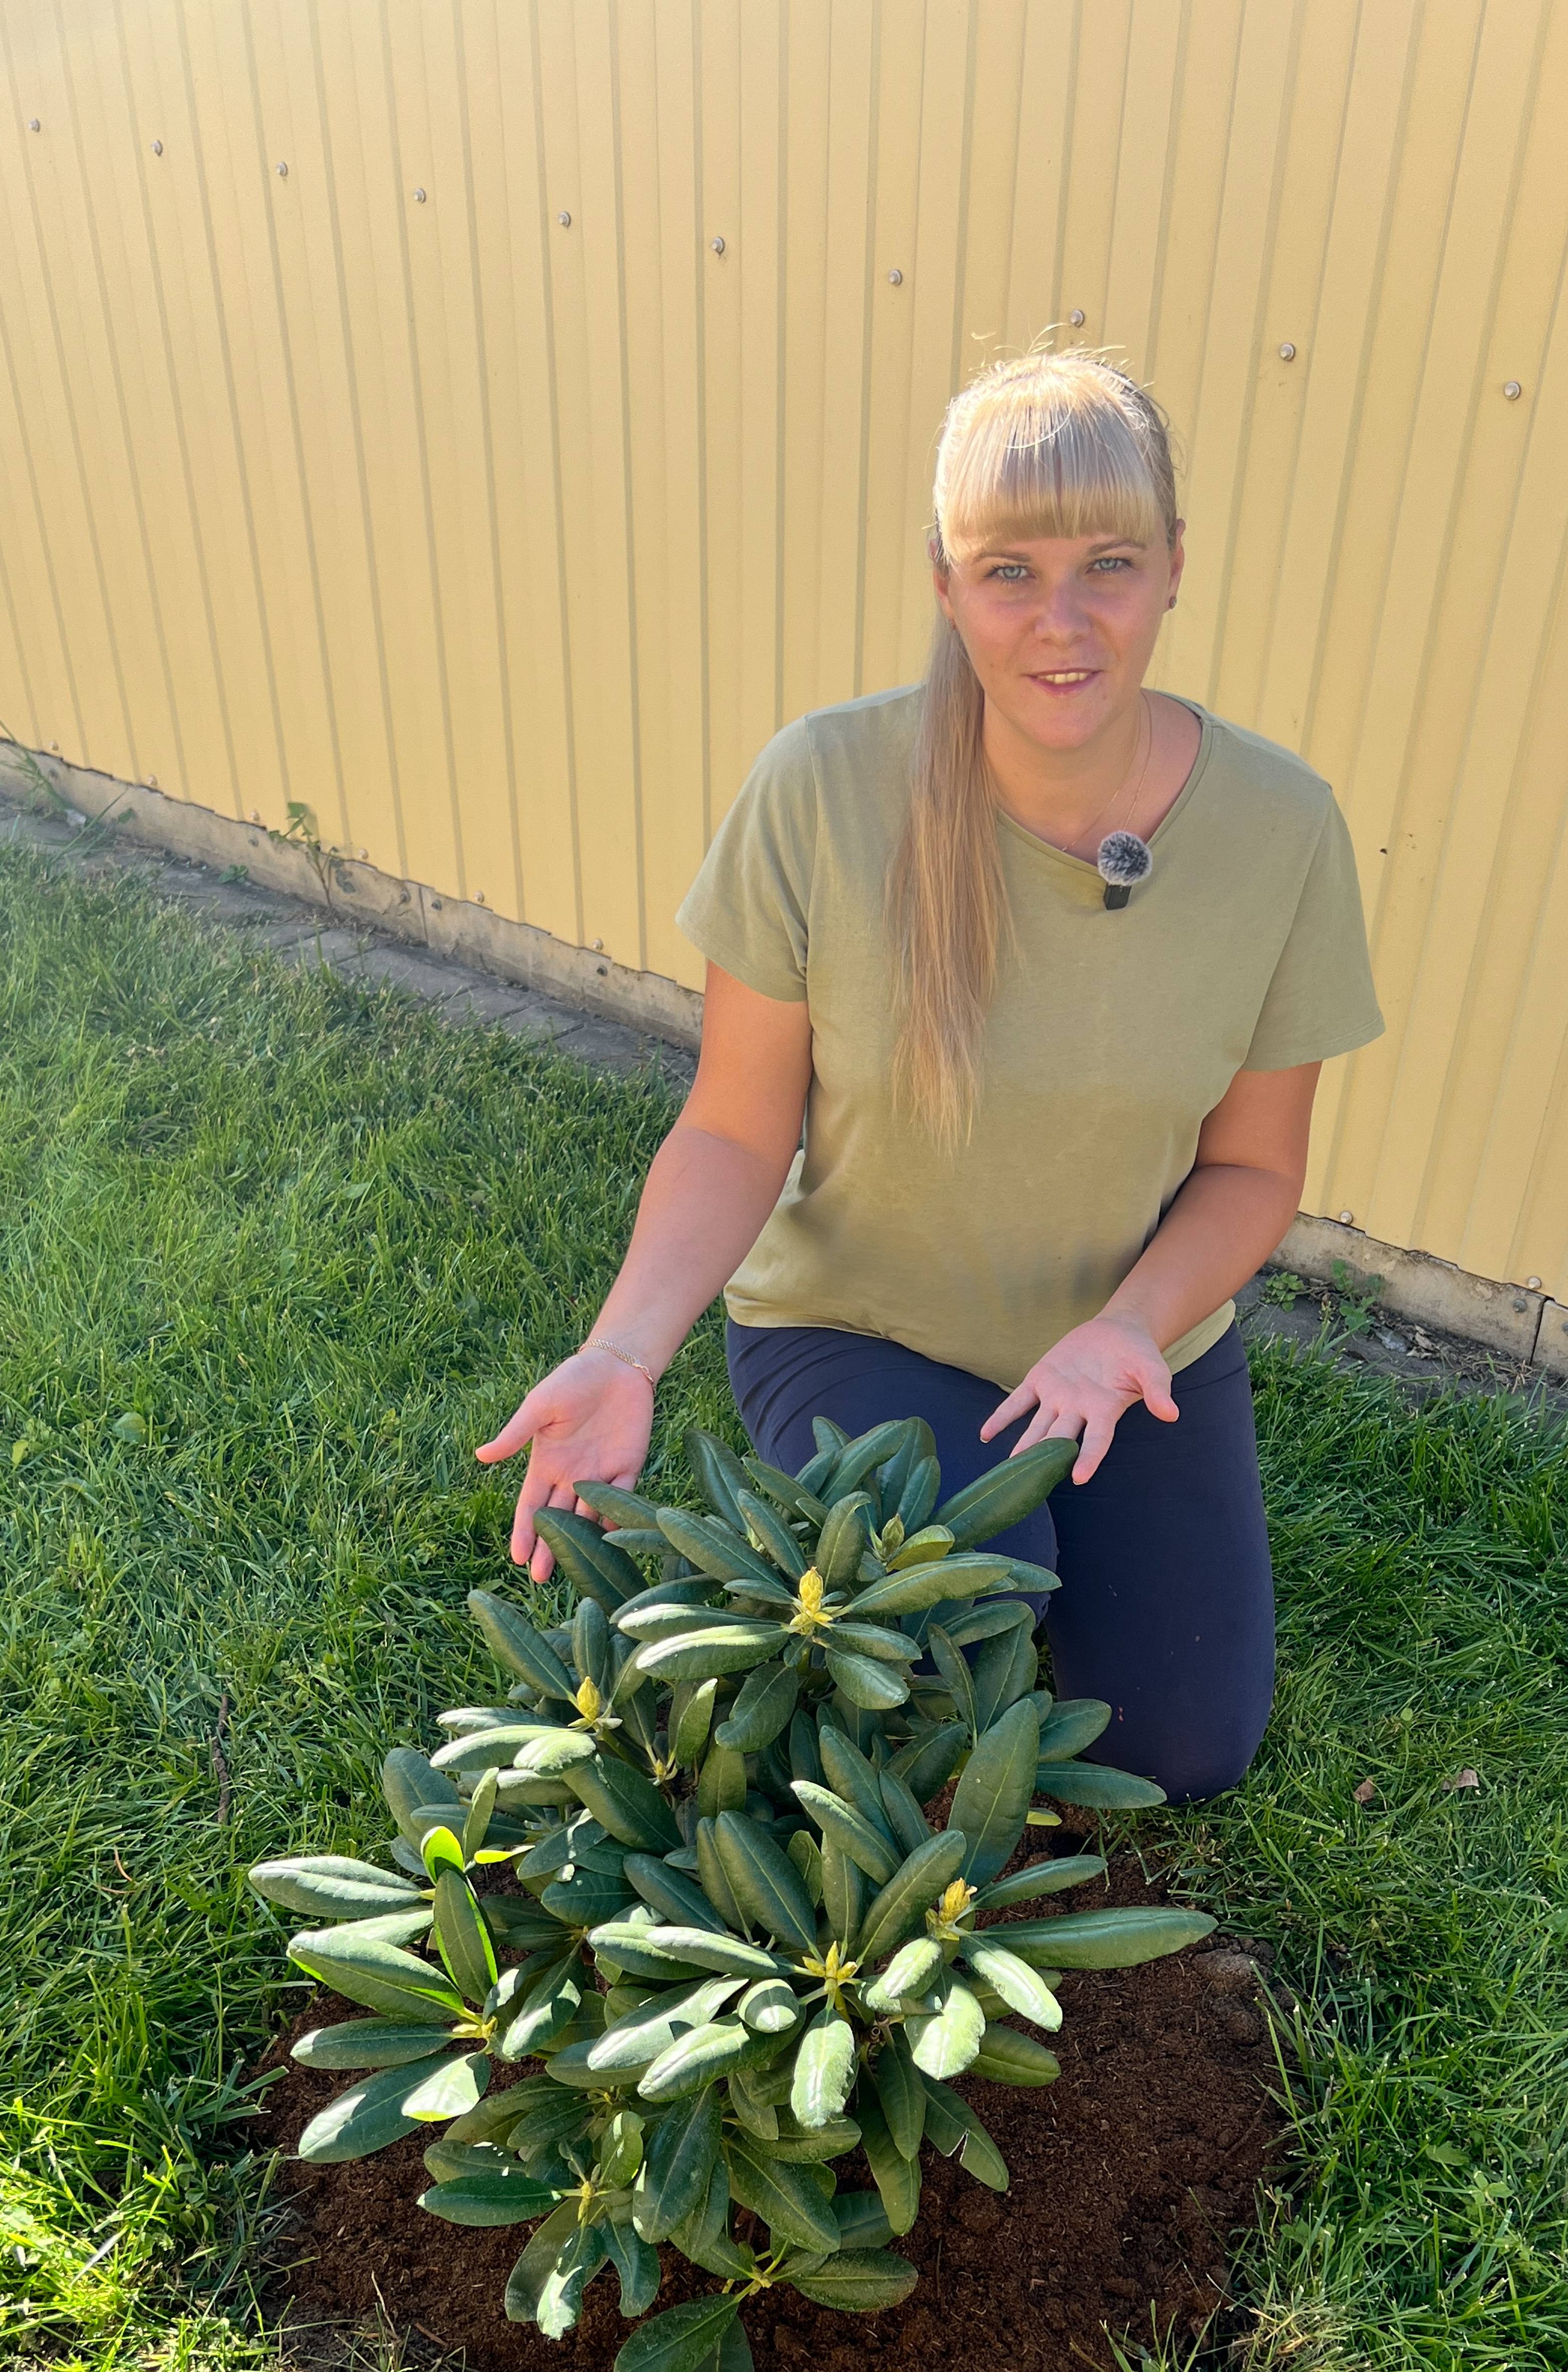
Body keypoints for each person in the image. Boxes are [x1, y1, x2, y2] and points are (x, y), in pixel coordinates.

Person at [477, 349, 1383, 1801]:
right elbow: (732, 1123)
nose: (1062, 619)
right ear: (945, 583)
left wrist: (1132, 1327)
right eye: (1007, 570)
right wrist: (624, 1347)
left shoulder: (1281, 829)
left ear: (1170, 573)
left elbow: (1253, 1169)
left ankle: (1044, 1510)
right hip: (862, 1320)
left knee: (1180, 1752)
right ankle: (966, 1537)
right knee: (956, 1622)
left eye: (1108, 563)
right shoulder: (823, 790)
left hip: (1126, 1345)